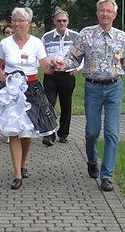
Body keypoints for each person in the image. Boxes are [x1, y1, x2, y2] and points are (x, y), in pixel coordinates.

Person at [52, 0, 125, 192]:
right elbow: (73, 57)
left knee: (112, 132)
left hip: (115, 87)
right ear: (97, 13)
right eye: (102, 10)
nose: (105, 14)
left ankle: (107, 176)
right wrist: (64, 64)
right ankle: (91, 160)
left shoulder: (122, 38)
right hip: (93, 87)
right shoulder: (86, 34)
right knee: (92, 132)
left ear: (114, 15)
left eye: (109, 11)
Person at [0, 7, 58, 190]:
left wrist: (53, 66)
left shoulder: (36, 43)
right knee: (13, 130)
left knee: (27, 130)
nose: (16, 24)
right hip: (11, 91)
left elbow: (45, 67)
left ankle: (23, 163)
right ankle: (17, 173)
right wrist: (2, 77)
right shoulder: (5, 44)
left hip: (31, 88)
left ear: (29, 24)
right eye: (14, 20)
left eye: (20, 21)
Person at [41, 9, 81, 146]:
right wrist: (48, 65)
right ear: (54, 22)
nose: (62, 23)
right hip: (51, 75)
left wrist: (78, 68)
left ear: (68, 21)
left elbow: (84, 54)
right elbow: (41, 56)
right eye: (59, 21)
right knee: (49, 104)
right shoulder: (46, 37)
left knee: (66, 105)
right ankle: (49, 134)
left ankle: (63, 133)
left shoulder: (76, 36)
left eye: (64, 20)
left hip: (67, 75)